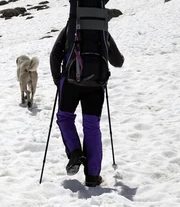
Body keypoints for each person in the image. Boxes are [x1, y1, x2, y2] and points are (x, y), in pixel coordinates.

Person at [50, 18, 124, 187]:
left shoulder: (70, 27)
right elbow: (118, 61)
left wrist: (58, 81)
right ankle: (92, 176)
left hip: (70, 82)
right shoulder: (102, 30)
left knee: (64, 118)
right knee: (91, 125)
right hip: (96, 83)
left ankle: (75, 152)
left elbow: (54, 55)